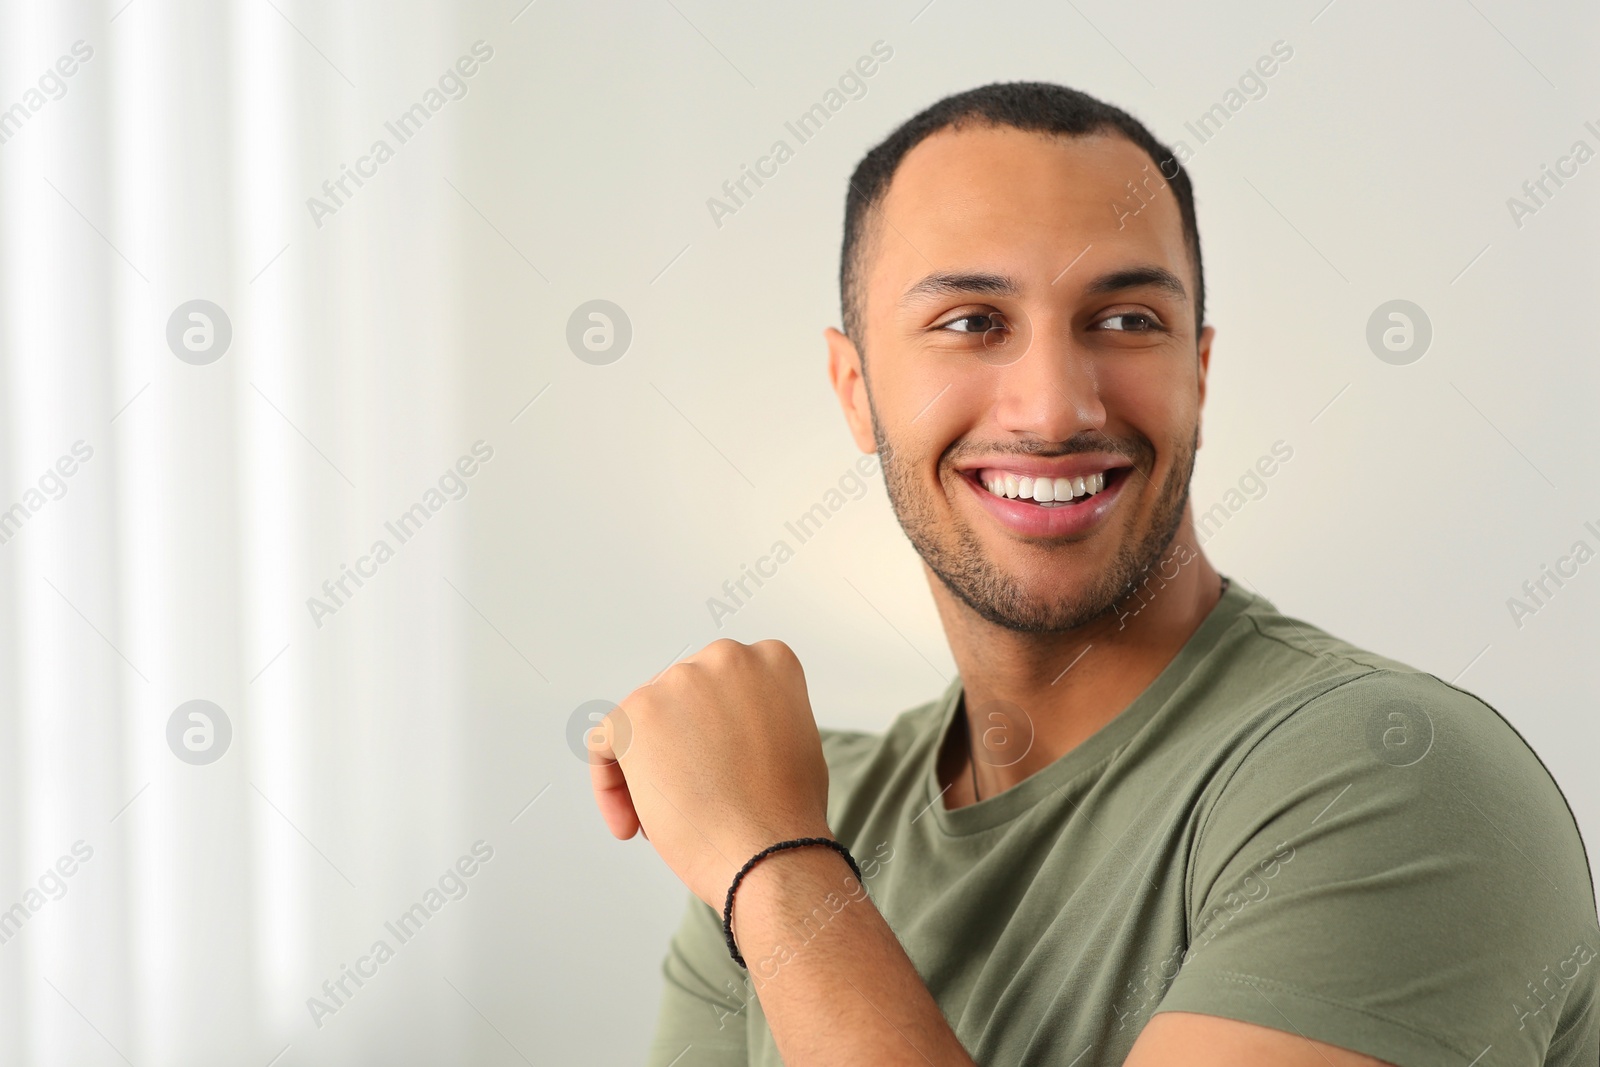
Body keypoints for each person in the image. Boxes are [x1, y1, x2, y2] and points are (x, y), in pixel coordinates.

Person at [589, 82, 1599, 1066]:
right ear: (855, 390)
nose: (1052, 407)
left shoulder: (1391, 773)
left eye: (1123, 321)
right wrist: (772, 844)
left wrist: (772, 872)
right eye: (969, 322)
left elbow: (770, 858)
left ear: (1198, 374)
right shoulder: (808, 800)